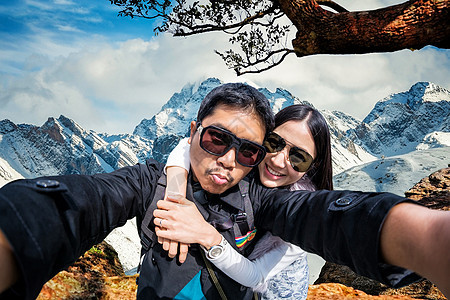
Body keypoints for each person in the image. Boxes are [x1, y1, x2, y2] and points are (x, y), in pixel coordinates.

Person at [0, 83, 449, 299]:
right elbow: (88, 200)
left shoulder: (265, 197)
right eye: (218, 139)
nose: (231, 160)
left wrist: (425, 237)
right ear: (194, 131)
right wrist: (16, 232)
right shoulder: (151, 180)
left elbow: (327, 216)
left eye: (249, 150)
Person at [160, 104, 332, 299]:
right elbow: (188, 143)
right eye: (274, 143)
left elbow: (256, 276)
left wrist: (208, 237)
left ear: (312, 167)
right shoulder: (246, 160)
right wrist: (176, 197)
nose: (277, 161)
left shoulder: (302, 215)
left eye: (299, 157)